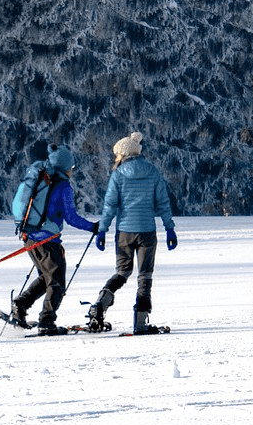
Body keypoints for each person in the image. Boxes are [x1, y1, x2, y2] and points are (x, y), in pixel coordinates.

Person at [90, 131, 177, 335]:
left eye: (117, 156)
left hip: (124, 233)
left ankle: (99, 306)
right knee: (144, 276)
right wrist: (169, 228)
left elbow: (110, 205)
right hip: (147, 231)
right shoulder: (153, 172)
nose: (115, 159)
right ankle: (140, 322)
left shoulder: (118, 175)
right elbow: (163, 203)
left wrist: (102, 230)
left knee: (122, 272)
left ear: (123, 155)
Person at [9, 143, 101, 334]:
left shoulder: (42, 180)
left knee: (46, 278)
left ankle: (21, 304)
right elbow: (71, 217)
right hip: (47, 241)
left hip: (29, 238)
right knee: (57, 282)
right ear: (65, 167)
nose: (72, 171)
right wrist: (93, 227)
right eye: (71, 168)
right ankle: (47, 321)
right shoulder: (62, 186)